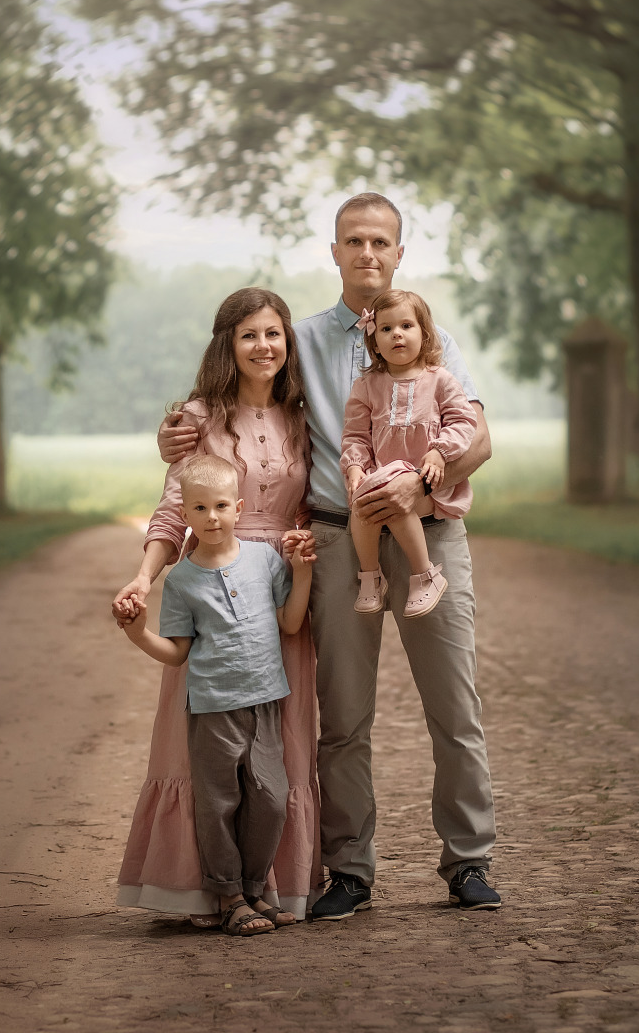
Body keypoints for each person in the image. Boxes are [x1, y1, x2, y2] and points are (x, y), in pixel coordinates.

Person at [158, 193, 502, 920]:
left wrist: (423, 479)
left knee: (455, 708)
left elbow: (479, 437)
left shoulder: (426, 332)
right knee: (343, 718)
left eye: (381, 241)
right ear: (336, 251)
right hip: (343, 537)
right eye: (354, 241)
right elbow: (246, 405)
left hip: (429, 531)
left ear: (400, 252)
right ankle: (350, 869)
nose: (368, 253)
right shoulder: (303, 339)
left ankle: (468, 860)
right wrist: (179, 432)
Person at [113, 286, 323, 929]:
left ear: (289, 344)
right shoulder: (200, 418)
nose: (264, 346)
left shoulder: (306, 413)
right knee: (197, 747)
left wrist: (305, 550)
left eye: (274, 334)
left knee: (277, 750)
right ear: (228, 346)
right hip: (208, 585)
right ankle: (197, 891)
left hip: (280, 588)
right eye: (249, 335)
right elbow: (175, 508)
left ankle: (272, 888)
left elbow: (317, 497)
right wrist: (146, 579)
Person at [116, 453, 316, 936]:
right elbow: (176, 653)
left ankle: (253, 890)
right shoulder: (182, 581)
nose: (212, 517)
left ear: (239, 508)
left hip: (266, 702)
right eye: (199, 509)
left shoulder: (265, 561)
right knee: (218, 804)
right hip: (211, 709)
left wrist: (302, 570)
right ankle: (228, 896)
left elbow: (291, 623)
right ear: (183, 516)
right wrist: (138, 634)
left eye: (221, 506)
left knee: (268, 799)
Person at [341, 289, 479, 619]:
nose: (396, 334)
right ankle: (371, 576)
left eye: (406, 325)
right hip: (382, 476)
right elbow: (356, 435)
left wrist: (439, 453)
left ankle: (425, 575)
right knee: (362, 503)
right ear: (374, 342)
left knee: (398, 497)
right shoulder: (367, 386)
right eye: (386, 329)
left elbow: (463, 420)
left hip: (425, 482)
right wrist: (356, 468)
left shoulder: (440, 380)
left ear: (424, 333)